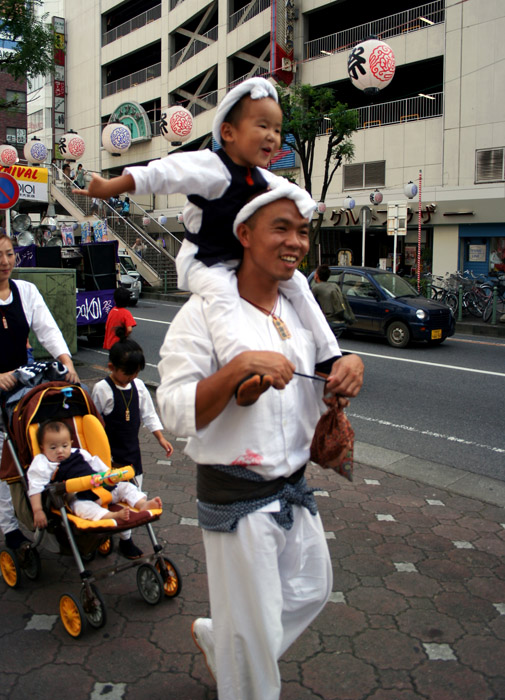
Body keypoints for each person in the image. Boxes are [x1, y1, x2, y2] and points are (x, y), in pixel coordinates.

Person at [156, 183, 364, 700]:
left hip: (293, 489)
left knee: (312, 587)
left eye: (302, 230)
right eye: (281, 228)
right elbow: (174, 410)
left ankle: (224, 642)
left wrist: (347, 371)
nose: (296, 242)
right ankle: (240, 664)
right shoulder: (203, 314)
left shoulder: (297, 310)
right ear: (244, 233)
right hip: (238, 497)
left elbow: (312, 390)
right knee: (253, 667)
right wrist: (239, 370)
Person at [75, 77, 340, 378]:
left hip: (244, 261)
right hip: (206, 261)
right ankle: (241, 368)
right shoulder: (210, 167)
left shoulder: (266, 180)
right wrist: (110, 186)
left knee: (298, 284)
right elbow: (163, 173)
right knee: (223, 296)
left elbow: (297, 197)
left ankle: (328, 355)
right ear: (228, 132)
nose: (273, 137)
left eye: (277, 130)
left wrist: (308, 208)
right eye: (262, 126)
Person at [0, 233, 79, 551]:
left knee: (41, 450)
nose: (4, 262)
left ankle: (55, 511)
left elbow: (47, 328)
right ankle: (9, 529)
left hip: (22, 388)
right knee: (5, 464)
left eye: (8, 254)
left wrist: (66, 362)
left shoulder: (26, 291)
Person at [92, 333, 173, 558]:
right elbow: (94, 422)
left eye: (136, 373)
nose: (132, 377)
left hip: (132, 455)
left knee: (134, 496)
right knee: (108, 495)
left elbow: (148, 413)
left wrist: (160, 438)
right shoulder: (102, 389)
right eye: (128, 373)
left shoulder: (138, 386)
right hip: (108, 458)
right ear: (111, 367)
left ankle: (126, 540)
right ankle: (106, 531)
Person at [27, 420, 162, 528]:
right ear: (42, 447)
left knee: (125, 487)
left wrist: (110, 476)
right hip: (78, 495)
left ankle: (142, 503)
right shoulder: (43, 462)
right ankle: (111, 515)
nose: (60, 451)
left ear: (71, 443)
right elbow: (35, 486)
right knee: (82, 508)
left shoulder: (80, 453)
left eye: (64, 445)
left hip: (102, 487)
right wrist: (38, 510)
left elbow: (97, 465)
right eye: (53, 447)